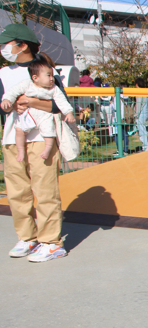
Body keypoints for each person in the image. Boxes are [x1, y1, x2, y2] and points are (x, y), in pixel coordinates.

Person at [0, 23, 71, 262]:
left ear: (22, 45)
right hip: (12, 138)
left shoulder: (45, 69)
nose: (3, 48)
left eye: (6, 44)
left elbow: (59, 105)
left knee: (45, 190)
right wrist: (12, 104)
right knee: (17, 192)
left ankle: (51, 242)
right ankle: (27, 238)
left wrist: (29, 101)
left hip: (43, 139)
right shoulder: (3, 73)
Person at [1, 52, 75, 162]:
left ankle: (47, 149)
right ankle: (20, 150)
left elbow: (62, 101)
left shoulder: (53, 88)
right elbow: (12, 92)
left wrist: (68, 112)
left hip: (43, 116)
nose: (51, 78)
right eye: (48, 76)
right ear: (35, 78)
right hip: (26, 115)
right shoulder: (26, 84)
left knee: (48, 131)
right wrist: (7, 100)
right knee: (19, 130)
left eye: (51, 75)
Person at [134, 77, 148, 149]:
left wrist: (136, 115)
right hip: (146, 114)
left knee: (142, 131)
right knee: (146, 131)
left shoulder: (139, 93)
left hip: (141, 115)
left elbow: (138, 105)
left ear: (137, 84)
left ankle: (145, 147)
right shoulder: (145, 93)